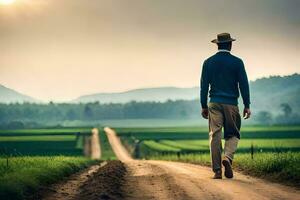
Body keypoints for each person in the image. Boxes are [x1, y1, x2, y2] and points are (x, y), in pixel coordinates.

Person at [200, 33, 251, 179]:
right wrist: (247, 105)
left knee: (215, 135)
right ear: (230, 44)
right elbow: (244, 85)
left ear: (217, 44)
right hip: (231, 104)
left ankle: (217, 171)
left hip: (214, 103)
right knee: (233, 133)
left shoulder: (208, 62)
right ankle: (227, 158)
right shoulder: (237, 62)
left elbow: (204, 86)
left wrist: (203, 105)